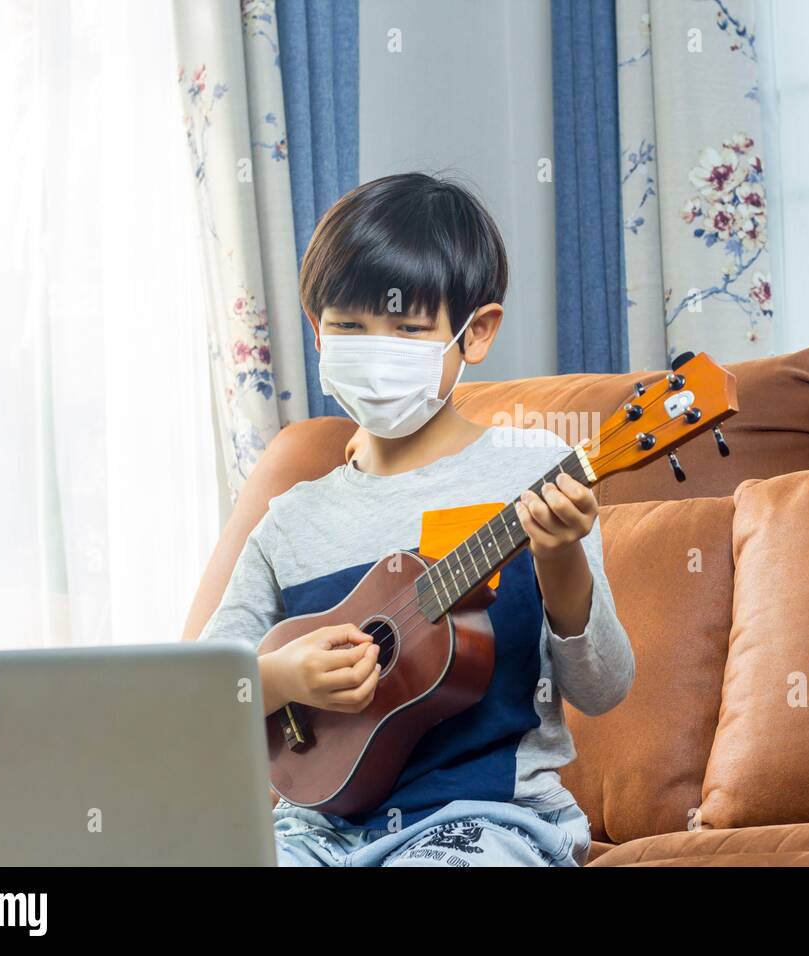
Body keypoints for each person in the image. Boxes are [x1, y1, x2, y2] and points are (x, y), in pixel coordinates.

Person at [199, 172, 635, 867]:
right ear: (317, 332)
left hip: (489, 824)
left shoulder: (536, 472)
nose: (377, 349)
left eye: (407, 329)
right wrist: (281, 680)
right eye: (350, 326)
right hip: (312, 832)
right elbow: (194, 690)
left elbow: (603, 686)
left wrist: (560, 558)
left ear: (477, 332)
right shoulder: (289, 523)